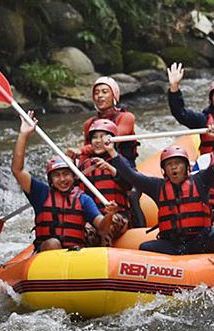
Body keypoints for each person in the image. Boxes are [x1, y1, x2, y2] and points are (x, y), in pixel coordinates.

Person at [12, 111, 118, 252]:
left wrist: (110, 214)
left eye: (66, 174)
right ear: (50, 179)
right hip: (46, 255)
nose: (62, 179)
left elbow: (102, 228)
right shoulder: (40, 193)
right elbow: (17, 170)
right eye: (57, 175)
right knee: (53, 244)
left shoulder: (83, 199)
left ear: (74, 177)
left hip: (73, 256)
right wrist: (23, 135)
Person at [104, 132, 214, 255]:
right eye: (169, 164)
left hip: (198, 241)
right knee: (145, 247)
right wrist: (112, 152)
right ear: (164, 170)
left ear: (187, 166)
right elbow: (132, 176)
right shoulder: (157, 186)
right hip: (173, 244)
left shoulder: (201, 180)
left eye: (178, 163)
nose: (174, 168)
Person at [79, 118, 132, 246]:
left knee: (107, 227)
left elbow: (130, 184)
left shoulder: (120, 162)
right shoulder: (85, 165)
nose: (98, 141)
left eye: (102, 137)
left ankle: (105, 260)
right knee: (82, 231)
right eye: (94, 137)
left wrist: (110, 168)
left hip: (118, 216)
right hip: (94, 217)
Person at [67, 76, 139, 168]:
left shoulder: (126, 117)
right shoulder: (89, 123)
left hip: (124, 168)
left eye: (104, 92)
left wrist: (82, 150)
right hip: (99, 167)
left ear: (114, 95)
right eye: (96, 93)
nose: (100, 96)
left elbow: (110, 141)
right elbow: (85, 156)